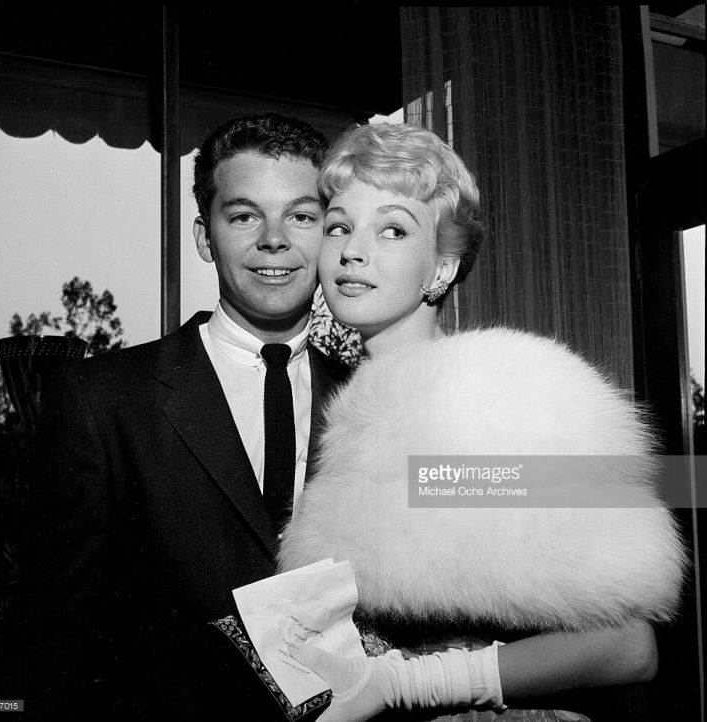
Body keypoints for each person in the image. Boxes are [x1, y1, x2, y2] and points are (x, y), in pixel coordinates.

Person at [278, 123, 685, 721]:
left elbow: (628, 647)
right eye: (339, 226)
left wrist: (402, 683)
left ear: (442, 267)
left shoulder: (498, 396)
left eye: (393, 229)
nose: (352, 251)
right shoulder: (345, 413)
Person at [0, 113, 350, 720]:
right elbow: (47, 634)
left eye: (301, 217)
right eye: (244, 216)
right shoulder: (103, 399)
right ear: (204, 237)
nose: (274, 239)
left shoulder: (372, 398)